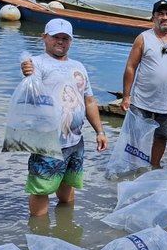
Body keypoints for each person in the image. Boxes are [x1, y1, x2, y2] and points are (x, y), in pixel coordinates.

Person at [21, 18, 108, 217]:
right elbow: (30, 87)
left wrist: (100, 131)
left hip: (75, 140)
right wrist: (26, 74)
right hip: (47, 141)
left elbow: (89, 102)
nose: (60, 41)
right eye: (55, 37)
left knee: (69, 183)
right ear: (44, 38)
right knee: (41, 188)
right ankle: (40, 231)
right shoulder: (36, 63)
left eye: (65, 38)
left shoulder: (78, 66)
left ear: (71, 41)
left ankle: (66, 224)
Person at [121, 0, 167, 168]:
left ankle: (155, 166)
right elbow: (131, 67)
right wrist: (126, 96)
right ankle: (134, 167)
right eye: (160, 14)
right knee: (136, 136)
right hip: (141, 100)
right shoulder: (143, 38)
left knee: (162, 136)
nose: (164, 17)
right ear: (153, 18)